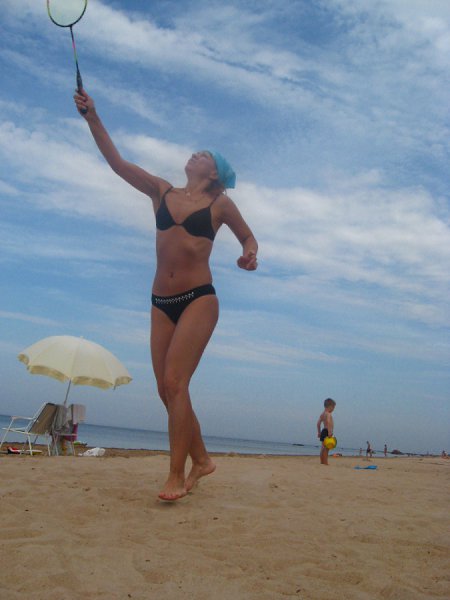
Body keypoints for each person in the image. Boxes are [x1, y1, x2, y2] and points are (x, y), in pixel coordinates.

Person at [74, 90, 258, 501]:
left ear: (214, 172)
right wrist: (93, 118)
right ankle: (202, 459)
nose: (195, 154)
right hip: (160, 301)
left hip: (199, 299)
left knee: (176, 382)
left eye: (203, 154)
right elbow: (118, 164)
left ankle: (176, 475)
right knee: (166, 389)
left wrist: (249, 255)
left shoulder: (220, 204)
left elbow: (248, 237)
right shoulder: (161, 190)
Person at [316, 398, 336, 465]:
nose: (333, 409)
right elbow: (328, 421)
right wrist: (330, 432)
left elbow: (318, 423)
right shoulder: (328, 414)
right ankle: (325, 462)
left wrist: (319, 432)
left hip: (323, 431)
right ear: (330, 406)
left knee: (323, 448)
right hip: (327, 431)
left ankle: (322, 462)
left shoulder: (322, 414)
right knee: (326, 448)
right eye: (333, 408)